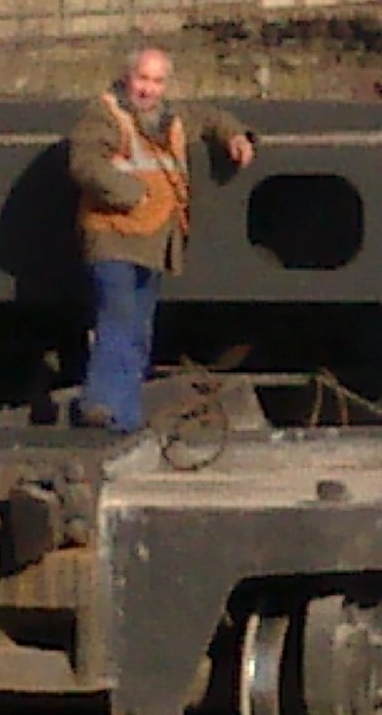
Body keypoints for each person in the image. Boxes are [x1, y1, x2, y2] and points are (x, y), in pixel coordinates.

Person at [67, 44, 254, 432]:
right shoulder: (104, 114)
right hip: (114, 237)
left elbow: (208, 117)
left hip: (151, 242)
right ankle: (100, 407)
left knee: (138, 332)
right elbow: (85, 164)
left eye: (157, 81)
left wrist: (234, 135)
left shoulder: (170, 117)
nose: (148, 89)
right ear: (127, 78)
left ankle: (126, 421)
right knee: (118, 323)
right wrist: (133, 194)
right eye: (142, 79)